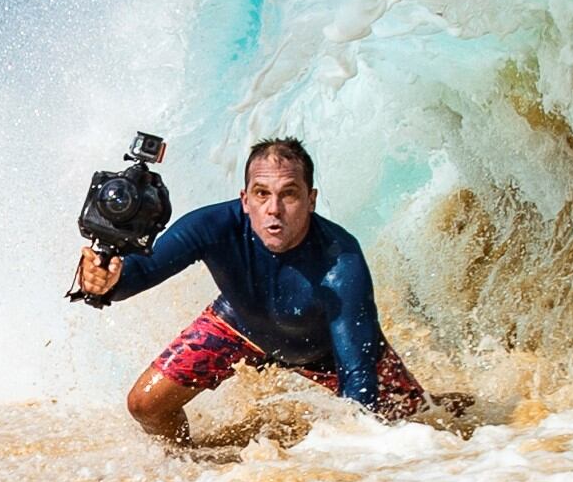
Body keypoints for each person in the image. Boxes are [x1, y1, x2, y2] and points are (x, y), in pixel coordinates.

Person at [77, 136, 441, 443]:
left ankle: (454, 403)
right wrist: (105, 280)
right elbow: (138, 275)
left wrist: (344, 462)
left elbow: (358, 387)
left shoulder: (341, 263)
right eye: (261, 193)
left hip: (326, 351)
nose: (274, 210)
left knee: (421, 425)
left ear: (311, 200)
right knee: (145, 405)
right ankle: (194, 464)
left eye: (290, 194)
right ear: (244, 198)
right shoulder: (212, 226)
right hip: (238, 325)